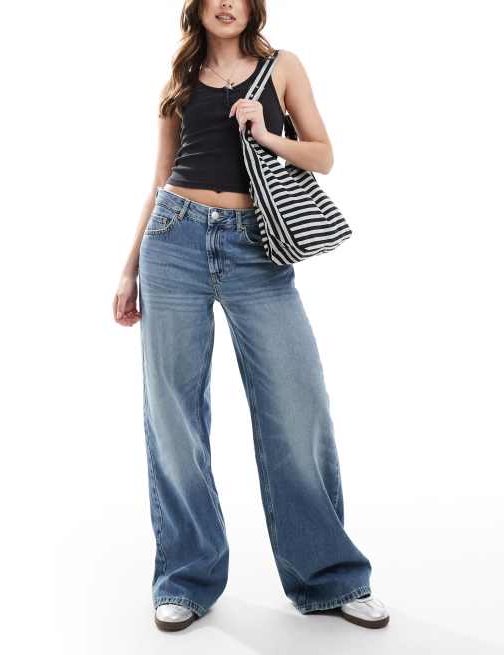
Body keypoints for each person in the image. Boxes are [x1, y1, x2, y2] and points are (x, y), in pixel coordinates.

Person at [112, 0, 390, 633]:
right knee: (174, 415)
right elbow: (160, 179)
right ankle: (185, 578)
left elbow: (323, 155)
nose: (226, 3)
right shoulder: (179, 80)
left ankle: (330, 577)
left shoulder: (282, 66)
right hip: (174, 239)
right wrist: (129, 269)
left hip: (255, 248)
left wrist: (265, 133)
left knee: (297, 405)